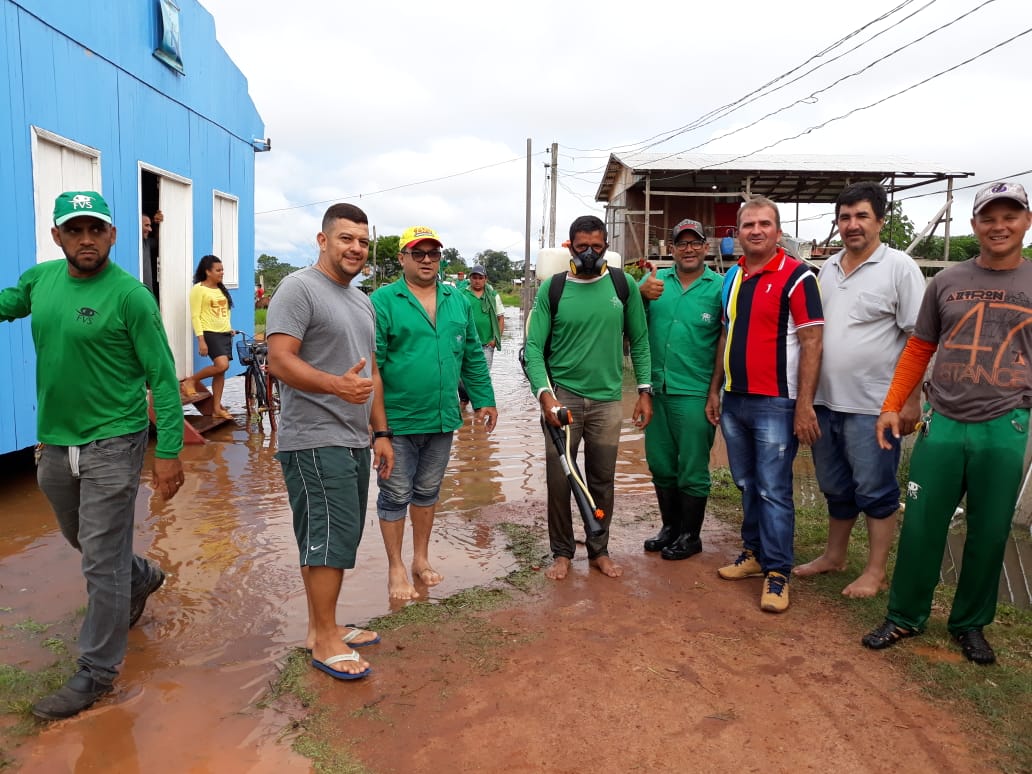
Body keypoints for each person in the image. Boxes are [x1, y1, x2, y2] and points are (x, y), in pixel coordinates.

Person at [0, 191, 184, 719]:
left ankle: (96, 671)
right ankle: (141, 575)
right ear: (57, 235)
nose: (87, 239)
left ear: (113, 235)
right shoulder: (40, 280)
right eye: (75, 230)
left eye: (96, 230)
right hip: (55, 440)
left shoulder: (130, 296)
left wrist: (168, 450)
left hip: (114, 439)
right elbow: (9, 302)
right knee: (81, 538)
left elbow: (163, 378)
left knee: (100, 560)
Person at [862, 182, 1032, 665]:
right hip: (944, 421)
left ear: (1027, 221)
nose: (999, 226)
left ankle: (970, 624)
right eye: (988, 218)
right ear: (975, 225)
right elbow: (919, 348)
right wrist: (894, 404)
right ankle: (905, 616)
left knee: (990, 529)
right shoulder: (947, 281)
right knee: (920, 523)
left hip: (1006, 425)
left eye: (1010, 217)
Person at [266, 203, 393, 680]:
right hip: (313, 437)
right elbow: (279, 360)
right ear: (323, 241)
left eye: (362, 241)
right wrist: (336, 386)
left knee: (332, 536)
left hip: (352, 437)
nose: (355, 248)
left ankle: (325, 626)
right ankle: (324, 639)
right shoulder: (299, 288)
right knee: (328, 538)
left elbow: (372, 372)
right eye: (345, 238)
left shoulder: (360, 300)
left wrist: (380, 432)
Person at [793, 183, 925, 597]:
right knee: (835, 485)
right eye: (845, 217)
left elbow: (919, 340)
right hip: (826, 402)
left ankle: (875, 570)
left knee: (875, 488)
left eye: (862, 216)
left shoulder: (899, 268)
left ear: (880, 221)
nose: (852, 225)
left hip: (875, 406)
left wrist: (910, 399)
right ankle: (835, 556)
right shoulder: (826, 269)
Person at [522, 215, 652, 581]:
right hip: (563, 399)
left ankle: (599, 550)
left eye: (597, 246)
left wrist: (644, 391)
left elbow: (640, 342)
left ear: (606, 245)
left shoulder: (623, 286)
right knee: (560, 479)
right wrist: (545, 396)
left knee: (602, 478)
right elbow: (533, 348)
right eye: (583, 247)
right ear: (570, 247)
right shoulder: (554, 289)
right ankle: (561, 553)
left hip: (609, 401)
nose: (591, 253)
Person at [371, 226, 497, 600]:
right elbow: (373, 367)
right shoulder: (382, 301)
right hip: (396, 422)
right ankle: (395, 567)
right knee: (394, 495)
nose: (427, 259)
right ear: (402, 258)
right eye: (418, 253)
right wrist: (377, 430)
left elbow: (472, 353)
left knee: (427, 492)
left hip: (443, 419)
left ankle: (420, 560)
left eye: (434, 253)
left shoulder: (455, 299)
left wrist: (484, 398)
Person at [713, 197, 824, 613]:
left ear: (778, 232)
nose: (755, 231)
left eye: (764, 224)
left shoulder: (798, 277)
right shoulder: (734, 277)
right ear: (737, 233)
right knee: (745, 482)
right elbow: (724, 336)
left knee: (774, 488)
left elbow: (813, 342)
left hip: (777, 402)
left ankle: (778, 572)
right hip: (735, 398)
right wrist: (715, 391)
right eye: (747, 225)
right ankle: (754, 553)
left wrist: (805, 405)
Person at [637, 219, 724, 560]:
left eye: (695, 242)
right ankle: (670, 528)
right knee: (660, 463)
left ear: (706, 247)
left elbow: (724, 341)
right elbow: (631, 327)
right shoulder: (653, 283)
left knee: (692, 466)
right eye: (681, 243)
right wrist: (640, 297)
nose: (688, 249)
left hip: (695, 391)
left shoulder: (718, 287)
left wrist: (715, 391)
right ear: (671, 249)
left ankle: (691, 535)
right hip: (655, 391)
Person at [181, 255, 234, 419]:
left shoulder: (220, 289)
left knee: (220, 373)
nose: (222, 273)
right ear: (207, 272)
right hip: (210, 333)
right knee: (221, 365)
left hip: (224, 333)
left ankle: (216, 408)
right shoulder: (199, 289)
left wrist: (229, 328)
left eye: (222, 269)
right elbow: (196, 316)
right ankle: (191, 381)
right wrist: (201, 340)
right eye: (218, 270)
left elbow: (225, 312)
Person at [457, 264, 505, 408]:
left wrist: (495, 339)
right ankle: (464, 400)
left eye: (480, 278)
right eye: (474, 277)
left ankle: (480, 406)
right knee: (460, 377)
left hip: (486, 344)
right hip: (464, 343)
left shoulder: (492, 295)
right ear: (470, 278)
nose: (477, 281)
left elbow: (500, 317)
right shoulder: (461, 294)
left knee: (482, 376)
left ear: (485, 279)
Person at [141, 210, 162, 295]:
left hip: (148, 293)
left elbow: (159, 242)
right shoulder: (132, 244)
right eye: (147, 225)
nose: (150, 229)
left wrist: (157, 224)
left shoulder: (147, 243)